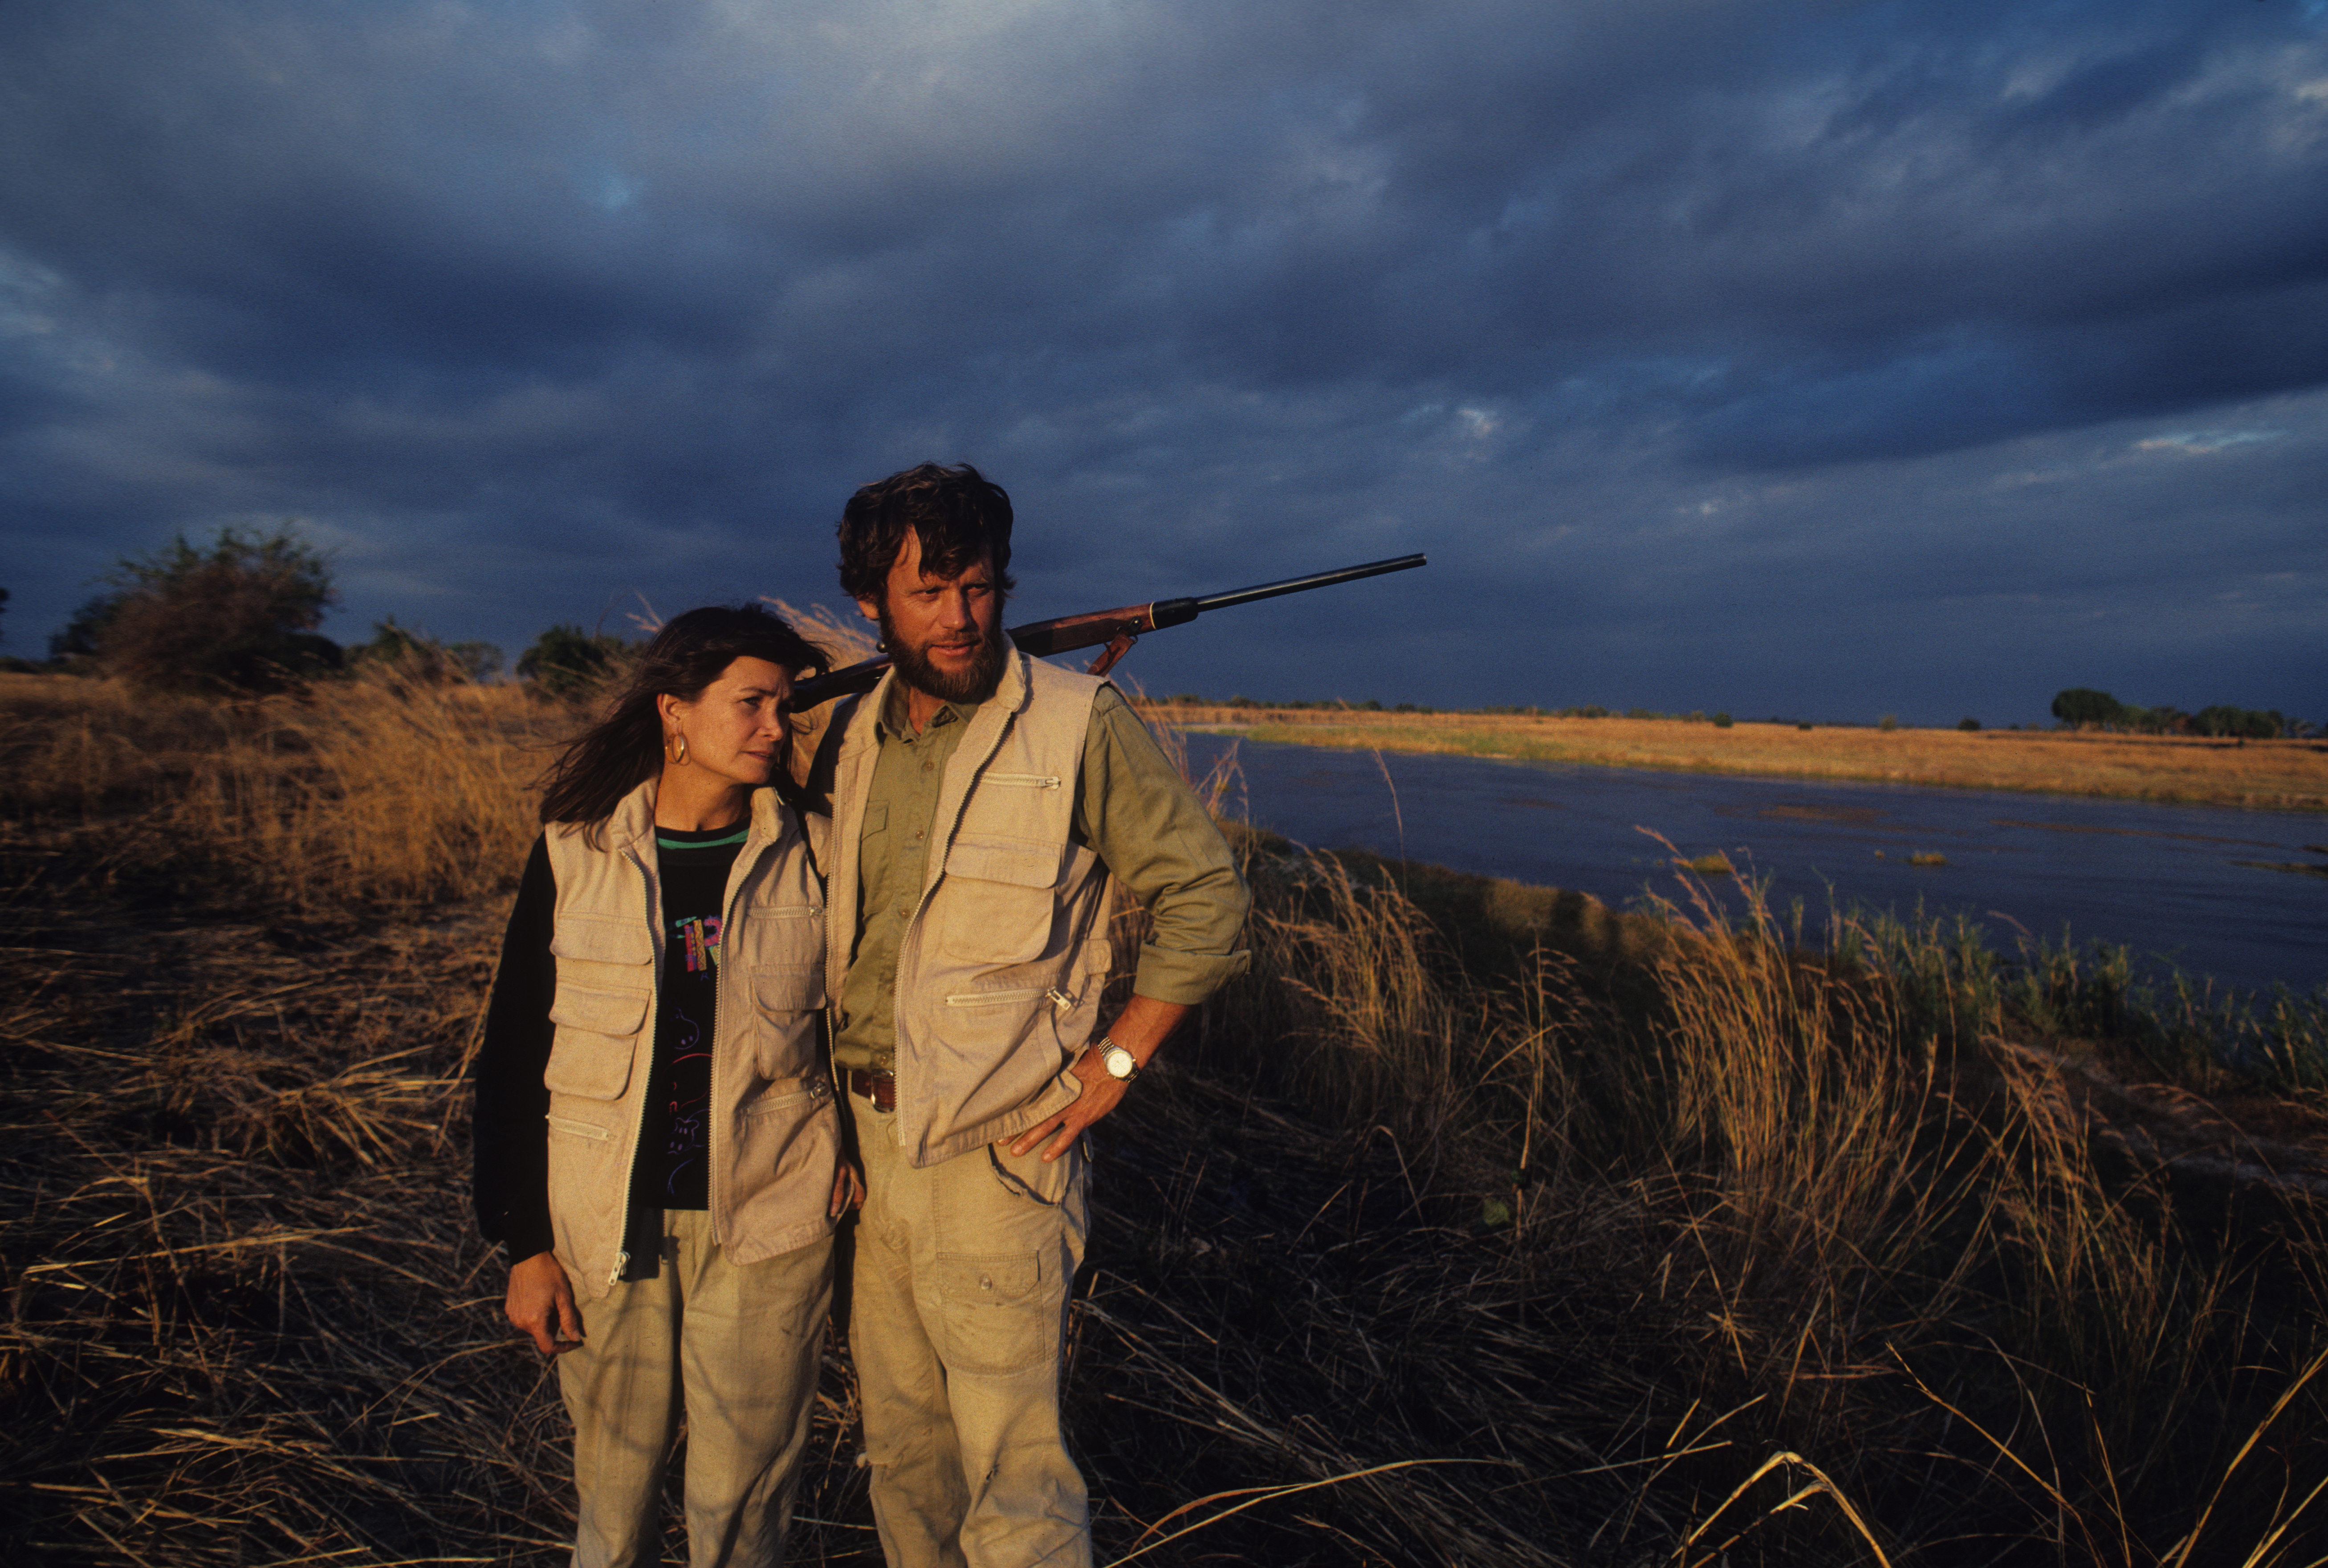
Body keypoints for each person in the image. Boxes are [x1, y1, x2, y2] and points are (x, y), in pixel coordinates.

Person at [813, 462, 1251, 1568]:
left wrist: (1113, 1063)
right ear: (871, 603)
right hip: (863, 1148)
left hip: (997, 1157)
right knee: (902, 1455)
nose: (961, 618)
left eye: (980, 587)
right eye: (928, 593)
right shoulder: (845, 735)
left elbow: (1205, 898)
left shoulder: (1079, 721)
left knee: (1016, 1475)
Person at [473, 605, 856, 1568]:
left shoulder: (818, 851)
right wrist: (525, 1244)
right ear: (673, 712)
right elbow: (516, 1052)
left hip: (769, 1224)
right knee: (614, 1499)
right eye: (751, 703)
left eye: (787, 706)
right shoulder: (577, 851)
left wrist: (848, 1150)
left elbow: (856, 1025)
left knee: (747, 1505)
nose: (776, 726)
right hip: (608, 1228)